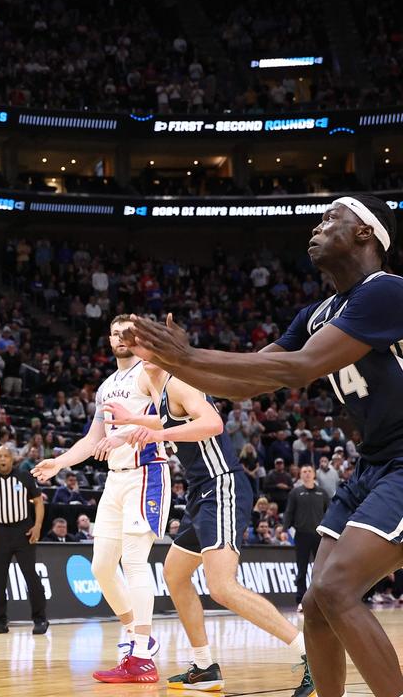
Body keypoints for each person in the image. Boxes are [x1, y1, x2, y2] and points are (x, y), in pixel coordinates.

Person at [126, 195, 403, 697]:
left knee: (336, 588)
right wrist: (177, 362)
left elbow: (296, 369)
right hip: (374, 464)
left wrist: (187, 354)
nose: (316, 229)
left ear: (365, 233)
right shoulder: (317, 313)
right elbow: (247, 383)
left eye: (330, 219)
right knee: (317, 603)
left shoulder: (387, 292)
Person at [114, 363, 311, 694]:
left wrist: (159, 435)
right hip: (200, 492)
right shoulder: (153, 384)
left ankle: (311, 653)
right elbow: (167, 420)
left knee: (221, 586)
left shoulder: (178, 383)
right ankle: (205, 667)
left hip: (221, 486)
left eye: (149, 344)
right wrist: (135, 420)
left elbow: (213, 423)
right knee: (175, 573)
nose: (143, 352)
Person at [33, 313, 170, 681]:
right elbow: (93, 440)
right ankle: (137, 636)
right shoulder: (107, 385)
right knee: (101, 567)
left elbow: (170, 420)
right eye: (114, 333)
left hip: (148, 472)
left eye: (127, 332)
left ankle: (141, 652)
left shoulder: (150, 372)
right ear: (109, 340)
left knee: (136, 562)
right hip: (115, 480)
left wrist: (125, 434)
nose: (120, 337)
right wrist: (59, 463)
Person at [0, 445, 48, 636]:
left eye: (6, 456)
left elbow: (38, 501)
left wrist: (37, 526)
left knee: (30, 575)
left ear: (12, 459)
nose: (3, 459)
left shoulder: (24, 477)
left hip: (23, 531)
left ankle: (40, 619)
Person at [283, 464, 329, 612]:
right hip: (301, 536)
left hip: (319, 536)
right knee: (301, 569)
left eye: (309, 471)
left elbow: (329, 514)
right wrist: (284, 529)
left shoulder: (322, 493)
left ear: (314, 474)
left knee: (320, 570)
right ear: (300, 475)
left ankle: (320, 600)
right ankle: (301, 600)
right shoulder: (295, 493)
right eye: (304, 471)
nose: (307, 474)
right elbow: (289, 512)